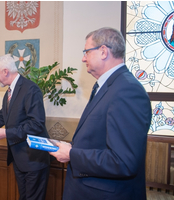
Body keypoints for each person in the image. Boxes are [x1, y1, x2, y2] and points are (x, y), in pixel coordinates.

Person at [50, 27, 152, 200]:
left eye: (86, 52)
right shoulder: (108, 86)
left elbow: (123, 161)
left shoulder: (126, 90)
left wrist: (71, 154)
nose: (83, 58)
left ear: (103, 51)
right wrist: (71, 148)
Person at [0, 54, 50, 200]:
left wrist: (8, 133)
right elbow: (2, 117)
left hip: (34, 159)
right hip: (19, 159)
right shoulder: (10, 92)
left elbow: (36, 124)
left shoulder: (30, 89)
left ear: (5, 71)